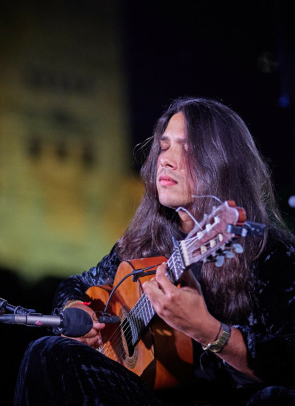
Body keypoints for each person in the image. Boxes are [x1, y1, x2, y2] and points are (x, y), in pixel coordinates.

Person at [14, 97, 295, 405]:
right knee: (46, 351)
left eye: (187, 148)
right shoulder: (144, 243)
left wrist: (210, 331)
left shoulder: (272, 254)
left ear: (223, 161)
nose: (166, 160)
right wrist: (75, 307)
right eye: (164, 146)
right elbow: (77, 284)